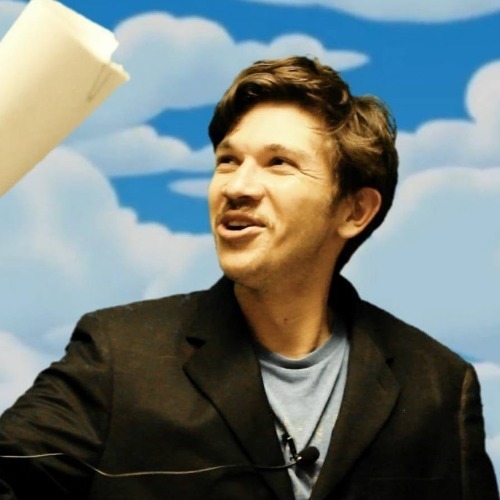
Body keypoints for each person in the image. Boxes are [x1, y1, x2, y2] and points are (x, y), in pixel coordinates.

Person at [0, 56, 498, 499]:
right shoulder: (116, 356)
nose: (237, 186)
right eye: (227, 161)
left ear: (355, 210)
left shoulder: (438, 385)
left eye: (278, 163)